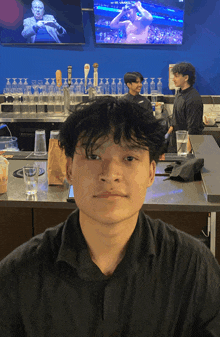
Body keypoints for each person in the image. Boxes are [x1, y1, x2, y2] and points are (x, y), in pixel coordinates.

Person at [0, 97, 220, 336]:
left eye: (129, 158)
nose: (110, 175)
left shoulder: (193, 268)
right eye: (93, 156)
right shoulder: (18, 275)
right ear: (69, 170)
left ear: (150, 173)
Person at [166, 62, 204, 153]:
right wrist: (167, 134)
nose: (173, 79)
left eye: (176, 76)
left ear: (186, 78)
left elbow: (193, 129)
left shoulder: (193, 98)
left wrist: (187, 153)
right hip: (176, 140)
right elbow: (175, 117)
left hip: (186, 144)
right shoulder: (179, 93)